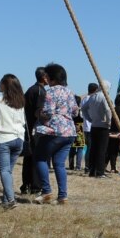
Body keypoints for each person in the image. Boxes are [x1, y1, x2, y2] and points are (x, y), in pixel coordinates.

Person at [33, 63, 79, 205]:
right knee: (59, 164)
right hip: (69, 132)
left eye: (46, 75)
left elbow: (48, 112)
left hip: (55, 131)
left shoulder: (51, 92)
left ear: (50, 77)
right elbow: (75, 112)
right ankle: (62, 196)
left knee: (40, 158)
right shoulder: (69, 92)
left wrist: (39, 113)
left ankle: (46, 191)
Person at [0, 74, 26, 210]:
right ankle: (5, 200)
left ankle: (10, 199)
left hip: (3, 139)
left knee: (4, 171)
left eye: (0, 83)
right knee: (8, 171)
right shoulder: (20, 102)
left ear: (5, 86)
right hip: (18, 138)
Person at [20, 67, 47, 195]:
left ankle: (26, 184)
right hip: (35, 129)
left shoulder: (31, 89)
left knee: (29, 157)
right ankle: (36, 186)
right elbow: (38, 112)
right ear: (43, 77)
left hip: (29, 128)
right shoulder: (40, 91)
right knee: (37, 157)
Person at [82, 82, 111, 177]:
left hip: (94, 125)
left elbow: (83, 108)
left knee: (93, 149)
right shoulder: (104, 96)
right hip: (103, 126)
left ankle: (92, 170)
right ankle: (100, 172)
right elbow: (107, 109)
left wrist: (89, 118)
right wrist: (109, 121)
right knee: (101, 150)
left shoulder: (92, 97)